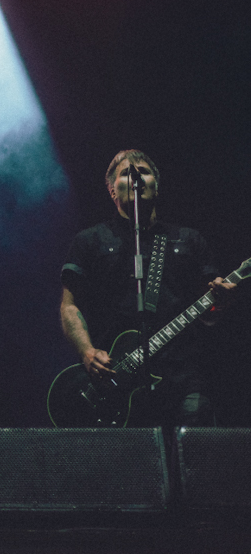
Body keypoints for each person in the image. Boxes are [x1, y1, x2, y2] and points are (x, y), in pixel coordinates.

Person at [59, 149, 235, 427]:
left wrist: (219, 302)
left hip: (182, 378)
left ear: (156, 186)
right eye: (126, 173)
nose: (136, 177)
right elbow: (70, 306)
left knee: (194, 458)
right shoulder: (90, 241)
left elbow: (210, 314)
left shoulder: (188, 240)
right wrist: (87, 352)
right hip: (116, 382)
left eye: (143, 171)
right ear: (111, 190)